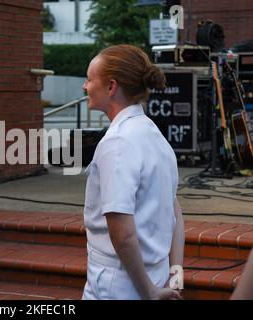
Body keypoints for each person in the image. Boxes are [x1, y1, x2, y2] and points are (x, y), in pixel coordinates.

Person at [81, 44, 184, 300]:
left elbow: (123, 233)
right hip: (155, 275)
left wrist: (148, 292)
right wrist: (176, 273)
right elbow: (176, 213)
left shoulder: (118, 142)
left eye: (90, 79)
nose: (85, 86)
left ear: (111, 87)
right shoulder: (156, 136)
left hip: (119, 282)